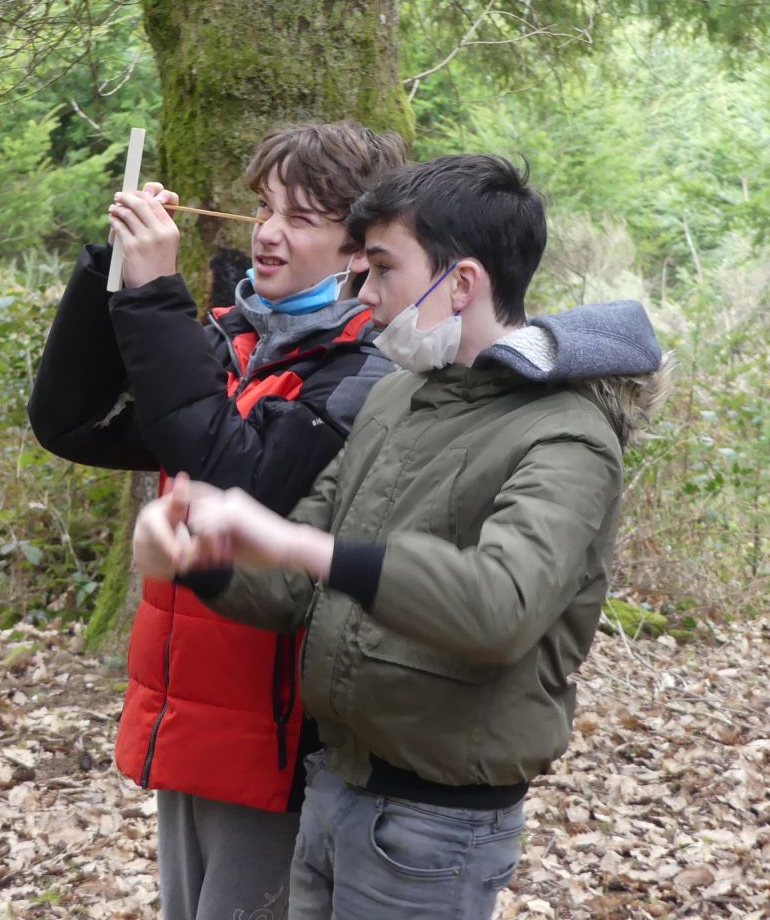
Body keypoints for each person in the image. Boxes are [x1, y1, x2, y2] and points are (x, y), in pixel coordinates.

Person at [133, 154, 667, 920]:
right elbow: (296, 586)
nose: (365, 295)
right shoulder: (394, 399)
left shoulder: (567, 434)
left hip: (433, 827)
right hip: (335, 786)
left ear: (462, 283)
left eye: (382, 270)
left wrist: (295, 547)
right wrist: (200, 561)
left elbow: (498, 607)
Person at [27, 123, 408, 920]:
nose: (268, 234)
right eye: (264, 207)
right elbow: (71, 423)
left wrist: (156, 299)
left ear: (356, 250)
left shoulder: (363, 371)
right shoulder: (234, 344)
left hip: (277, 747)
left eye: (301, 218)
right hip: (190, 723)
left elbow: (239, 474)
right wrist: (113, 274)